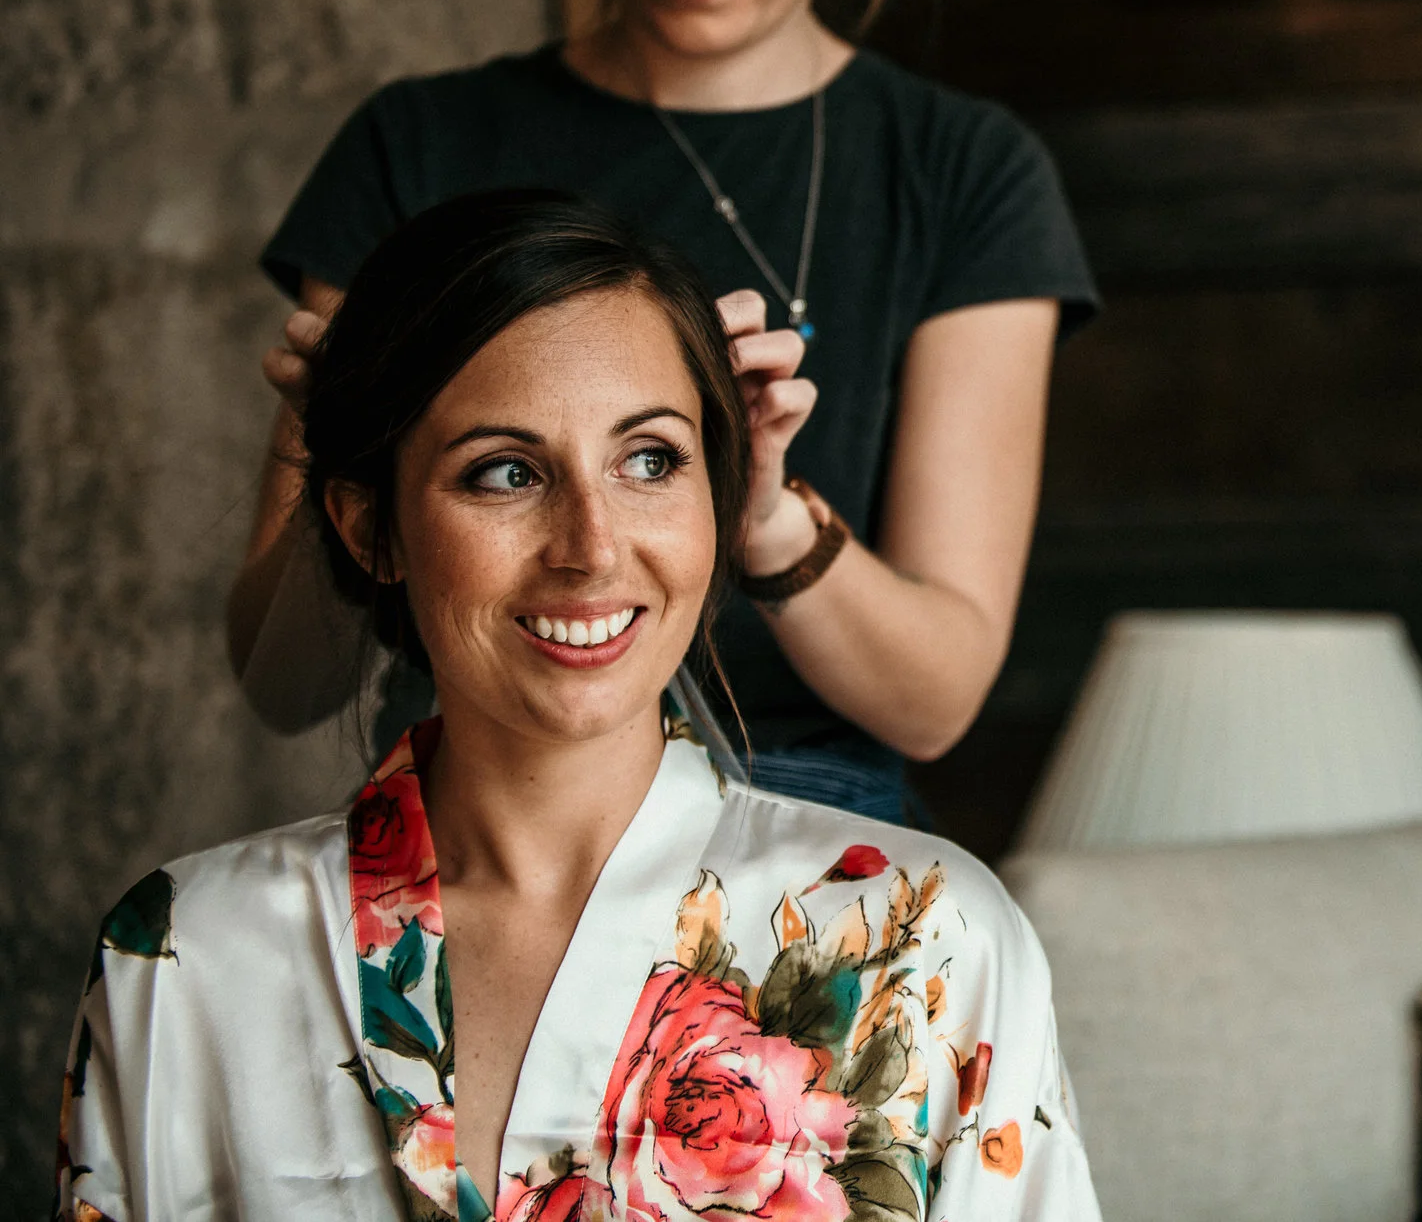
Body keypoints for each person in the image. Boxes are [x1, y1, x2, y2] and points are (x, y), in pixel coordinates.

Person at [224, 0, 1096, 819]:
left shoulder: (959, 172)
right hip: (475, 816)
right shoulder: (419, 144)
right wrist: (336, 473)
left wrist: (771, 523)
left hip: (807, 847)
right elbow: (284, 685)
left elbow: (935, 696)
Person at [59, 192, 1099, 1222]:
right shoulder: (190, 953)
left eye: (650, 460)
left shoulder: (924, 940)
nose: (592, 546)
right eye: (505, 473)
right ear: (369, 526)